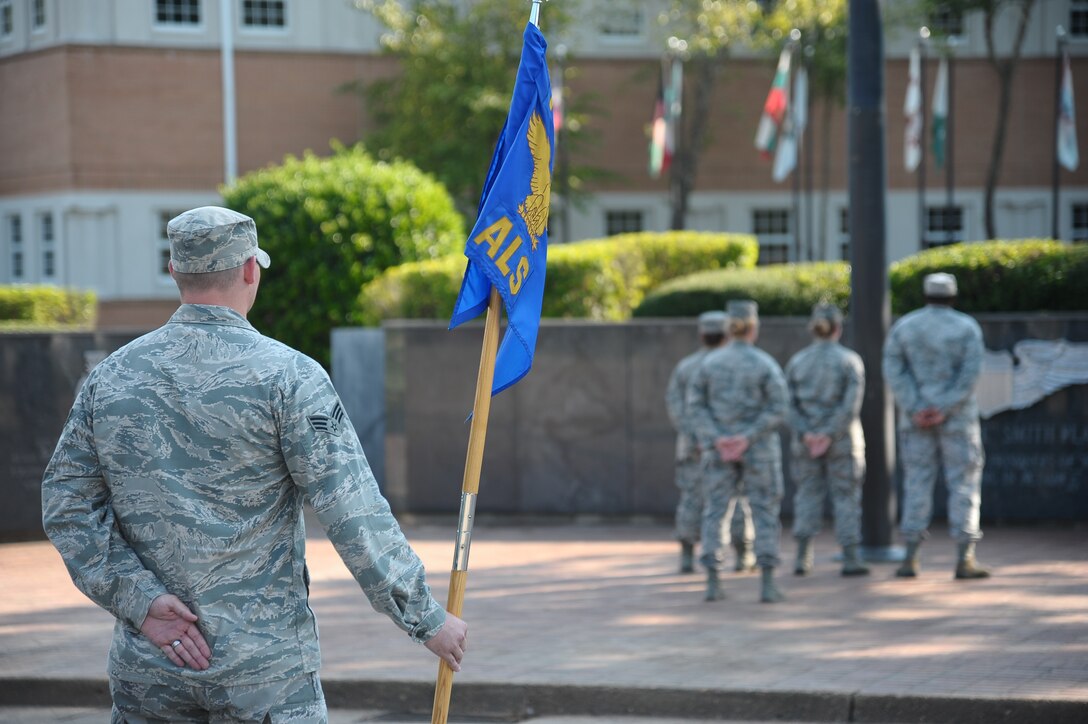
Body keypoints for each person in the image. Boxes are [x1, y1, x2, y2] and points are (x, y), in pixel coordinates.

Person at [41, 206, 467, 722]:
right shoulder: (290, 377)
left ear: (175, 272)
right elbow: (351, 510)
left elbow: (67, 506)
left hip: (151, 667)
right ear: (250, 269)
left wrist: (141, 601)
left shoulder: (111, 379)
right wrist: (425, 618)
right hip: (265, 672)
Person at [882, 272, 990, 580]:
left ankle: (911, 556)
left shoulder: (905, 327)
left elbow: (893, 368)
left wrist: (916, 406)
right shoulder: (967, 327)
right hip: (958, 420)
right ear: (953, 296)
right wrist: (943, 408)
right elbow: (971, 374)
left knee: (916, 482)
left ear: (926, 295)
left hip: (915, 421)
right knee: (964, 483)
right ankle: (964, 558)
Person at [686, 300, 789, 603]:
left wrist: (718, 438)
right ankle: (767, 583)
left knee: (716, 512)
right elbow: (778, 406)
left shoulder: (709, 364)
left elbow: (695, 405)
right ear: (754, 328)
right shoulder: (765, 364)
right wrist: (747, 437)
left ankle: (713, 582)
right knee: (765, 511)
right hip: (759, 450)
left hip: (718, 451)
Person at [664, 311, 756, 575]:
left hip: (691, 447)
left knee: (691, 499)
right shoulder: (733, 364)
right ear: (727, 333)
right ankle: (742, 555)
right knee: (736, 499)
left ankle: (686, 555)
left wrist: (696, 436)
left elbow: (676, 406)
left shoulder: (686, 366)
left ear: (701, 334)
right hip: (728, 446)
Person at [785, 303, 869, 577]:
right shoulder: (849, 361)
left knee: (807, 495)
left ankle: (802, 556)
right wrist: (829, 434)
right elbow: (850, 406)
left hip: (805, 442)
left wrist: (809, 434)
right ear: (838, 328)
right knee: (846, 498)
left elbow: (788, 405)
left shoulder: (797, 361)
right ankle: (850, 557)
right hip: (843, 442)